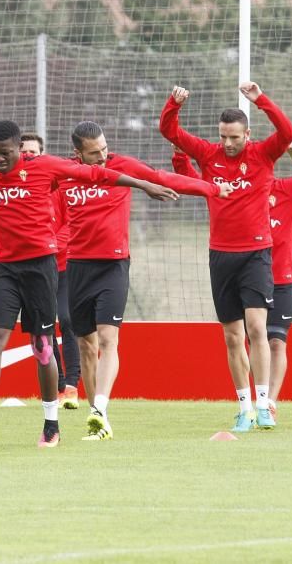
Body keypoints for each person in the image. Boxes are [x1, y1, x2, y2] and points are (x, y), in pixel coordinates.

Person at [0, 119, 178, 447]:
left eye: (6, 153)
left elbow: (98, 174)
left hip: (41, 268)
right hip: (3, 267)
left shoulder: (44, 167)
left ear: (20, 151)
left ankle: (50, 423)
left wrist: (143, 185)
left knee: (43, 348)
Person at [66, 121, 231, 441]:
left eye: (104, 148)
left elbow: (159, 178)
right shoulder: (66, 173)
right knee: (86, 345)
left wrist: (209, 188)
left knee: (108, 339)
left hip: (113, 265)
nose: (102, 156)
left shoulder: (121, 165)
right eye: (94, 153)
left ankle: (100, 409)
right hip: (76, 266)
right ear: (78, 154)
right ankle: (96, 418)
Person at [159, 82, 292, 432]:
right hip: (221, 257)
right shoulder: (208, 155)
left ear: (247, 134)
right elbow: (169, 131)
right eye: (224, 137)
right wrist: (173, 104)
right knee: (233, 336)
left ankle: (265, 404)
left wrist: (261, 99)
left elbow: (287, 131)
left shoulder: (264, 154)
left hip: (256, 255)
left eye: (235, 137)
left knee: (256, 329)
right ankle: (244, 408)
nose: (229, 143)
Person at [173, 131, 292, 416]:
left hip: (282, 278)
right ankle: (248, 403)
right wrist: (179, 154)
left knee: (273, 339)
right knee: (242, 337)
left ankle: (269, 403)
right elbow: (194, 181)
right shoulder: (233, 190)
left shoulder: (291, 189)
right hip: (241, 272)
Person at [18, 132, 81, 409]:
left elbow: (71, 223)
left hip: (63, 265)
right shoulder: (17, 189)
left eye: (33, 152)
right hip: (36, 270)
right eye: (24, 152)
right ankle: (57, 386)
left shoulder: (60, 187)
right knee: (44, 326)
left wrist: (52, 245)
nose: (29, 156)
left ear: (42, 154)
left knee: (67, 320)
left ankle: (72, 386)